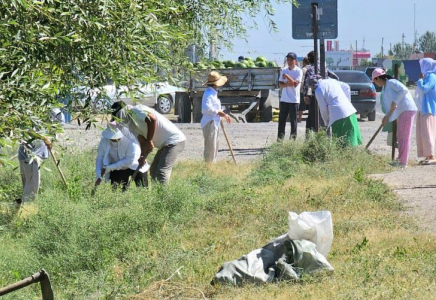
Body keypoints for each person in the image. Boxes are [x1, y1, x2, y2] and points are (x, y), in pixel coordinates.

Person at [111, 101, 186, 184]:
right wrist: (142, 156)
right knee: (153, 170)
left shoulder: (135, 110)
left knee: (162, 171)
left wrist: (149, 140)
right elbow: (142, 141)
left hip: (174, 141)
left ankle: (163, 196)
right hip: (164, 145)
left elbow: (151, 119)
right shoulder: (131, 124)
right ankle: (156, 195)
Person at [372, 68, 417, 168]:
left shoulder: (391, 82)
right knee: (400, 136)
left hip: (406, 109)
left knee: (404, 137)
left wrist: (396, 102)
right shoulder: (385, 88)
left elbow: (404, 90)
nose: (375, 84)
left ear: (378, 78)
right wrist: (386, 117)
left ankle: (403, 162)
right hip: (401, 112)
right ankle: (400, 159)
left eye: (374, 81)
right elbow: (390, 107)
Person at [17, 108, 64, 204]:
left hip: (29, 155)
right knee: (32, 186)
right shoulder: (38, 116)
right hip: (30, 156)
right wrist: (45, 138)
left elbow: (51, 136)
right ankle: (26, 210)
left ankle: (23, 208)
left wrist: (49, 141)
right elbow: (31, 131)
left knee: (28, 185)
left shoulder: (44, 114)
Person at [309, 76, 362, 147]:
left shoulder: (318, 90)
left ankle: (344, 158)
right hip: (350, 111)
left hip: (338, 116)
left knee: (340, 144)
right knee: (352, 140)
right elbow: (346, 87)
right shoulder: (331, 81)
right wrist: (347, 102)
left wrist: (326, 122)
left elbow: (323, 109)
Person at [95, 123, 149, 190]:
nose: (114, 139)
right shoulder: (104, 141)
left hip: (136, 165)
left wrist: (111, 167)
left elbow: (130, 160)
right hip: (117, 168)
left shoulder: (130, 140)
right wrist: (98, 173)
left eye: (116, 138)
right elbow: (100, 157)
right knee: (116, 190)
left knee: (142, 189)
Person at [303, 50, 339, 133]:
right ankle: (326, 135)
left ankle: (313, 138)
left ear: (309, 59)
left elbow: (305, 85)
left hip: (315, 96)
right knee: (325, 118)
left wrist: (305, 96)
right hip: (326, 96)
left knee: (312, 119)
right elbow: (336, 77)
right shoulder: (324, 69)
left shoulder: (309, 70)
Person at [201, 71, 231, 163]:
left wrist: (221, 112)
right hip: (210, 122)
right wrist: (219, 112)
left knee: (214, 145)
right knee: (210, 147)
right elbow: (206, 109)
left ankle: (212, 165)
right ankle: (208, 167)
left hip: (214, 121)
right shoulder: (209, 93)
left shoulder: (213, 92)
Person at [277, 52, 303, 140]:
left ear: (295, 61)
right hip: (284, 99)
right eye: (288, 60)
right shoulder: (283, 70)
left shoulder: (298, 71)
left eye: (291, 60)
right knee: (281, 121)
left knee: (293, 121)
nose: (289, 61)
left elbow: (295, 83)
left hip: (294, 100)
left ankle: (293, 139)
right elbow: (280, 84)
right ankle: (280, 139)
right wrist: (287, 84)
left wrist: (287, 77)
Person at [415, 58, 436, 165]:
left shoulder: (431, 77)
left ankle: (432, 156)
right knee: (422, 133)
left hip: (428, 108)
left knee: (428, 133)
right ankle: (428, 155)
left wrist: (420, 80)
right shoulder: (427, 76)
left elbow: (424, 88)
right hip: (422, 108)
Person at [298, 57, 311, 123]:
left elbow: (302, 80)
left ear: (304, 62)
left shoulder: (303, 69)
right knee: (310, 105)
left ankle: (299, 119)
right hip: (311, 90)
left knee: (301, 106)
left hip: (303, 89)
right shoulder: (312, 68)